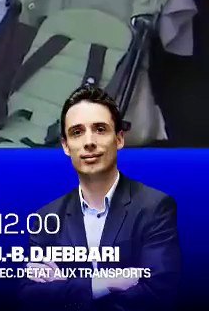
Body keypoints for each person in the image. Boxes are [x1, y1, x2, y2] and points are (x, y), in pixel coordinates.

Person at [18, 85, 181, 309]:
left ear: (120, 139)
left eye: (100, 129)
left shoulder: (155, 207)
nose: (89, 142)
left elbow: (159, 294)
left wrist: (66, 288)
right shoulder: (46, 217)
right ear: (65, 146)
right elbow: (31, 298)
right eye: (77, 132)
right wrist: (101, 284)